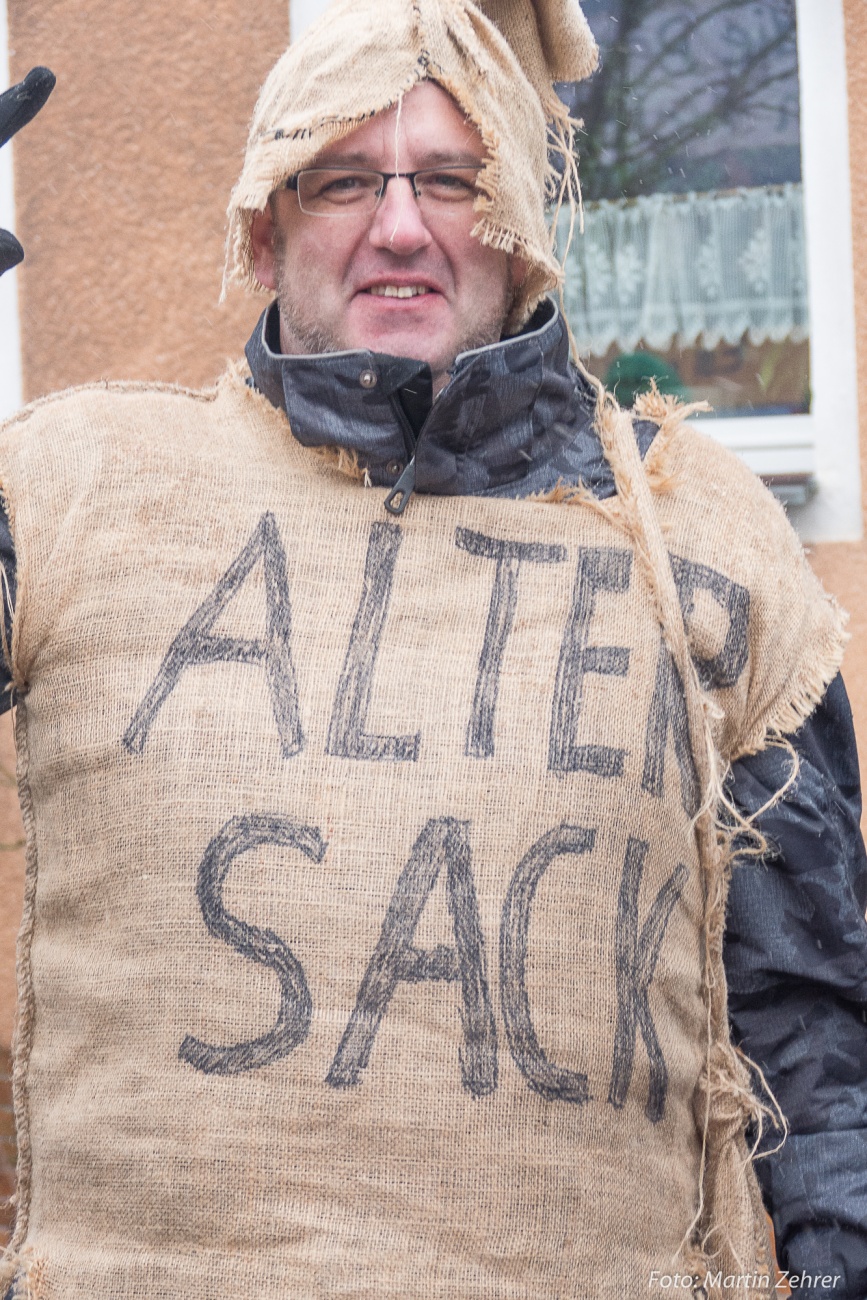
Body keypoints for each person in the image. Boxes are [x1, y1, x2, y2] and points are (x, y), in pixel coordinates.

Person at [0, 2, 865, 1297]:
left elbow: (808, 1013)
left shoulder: (696, 533)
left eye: (454, 182)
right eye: (344, 180)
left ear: (520, 225)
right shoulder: (78, 490)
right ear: (266, 222)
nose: (400, 226)